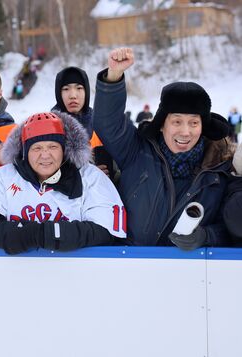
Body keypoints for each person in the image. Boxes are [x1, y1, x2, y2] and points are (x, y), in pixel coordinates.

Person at [93, 47, 233, 249]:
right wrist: (114, 76)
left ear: (203, 127)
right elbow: (107, 124)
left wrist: (206, 236)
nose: (185, 132)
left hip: (185, 274)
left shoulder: (219, 170)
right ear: (161, 124)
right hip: (130, 266)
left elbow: (230, 228)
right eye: (177, 122)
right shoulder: (136, 151)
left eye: (194, 123)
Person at [0, 112, 126, 254]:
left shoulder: (90, 176)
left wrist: (46, 234)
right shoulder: (5, 176)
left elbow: (106, 231)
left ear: (64, 149)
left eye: (52, 147)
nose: (45, 155)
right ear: (25, 151)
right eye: (36, 148)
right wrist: (31, 235)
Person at [52, 66, 115, 178]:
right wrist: (86, 174)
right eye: (66, 89)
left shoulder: (101, 123)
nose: (73, 95)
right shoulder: (49, 126)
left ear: (87, 92)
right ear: (58, 93)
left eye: (79, 88)